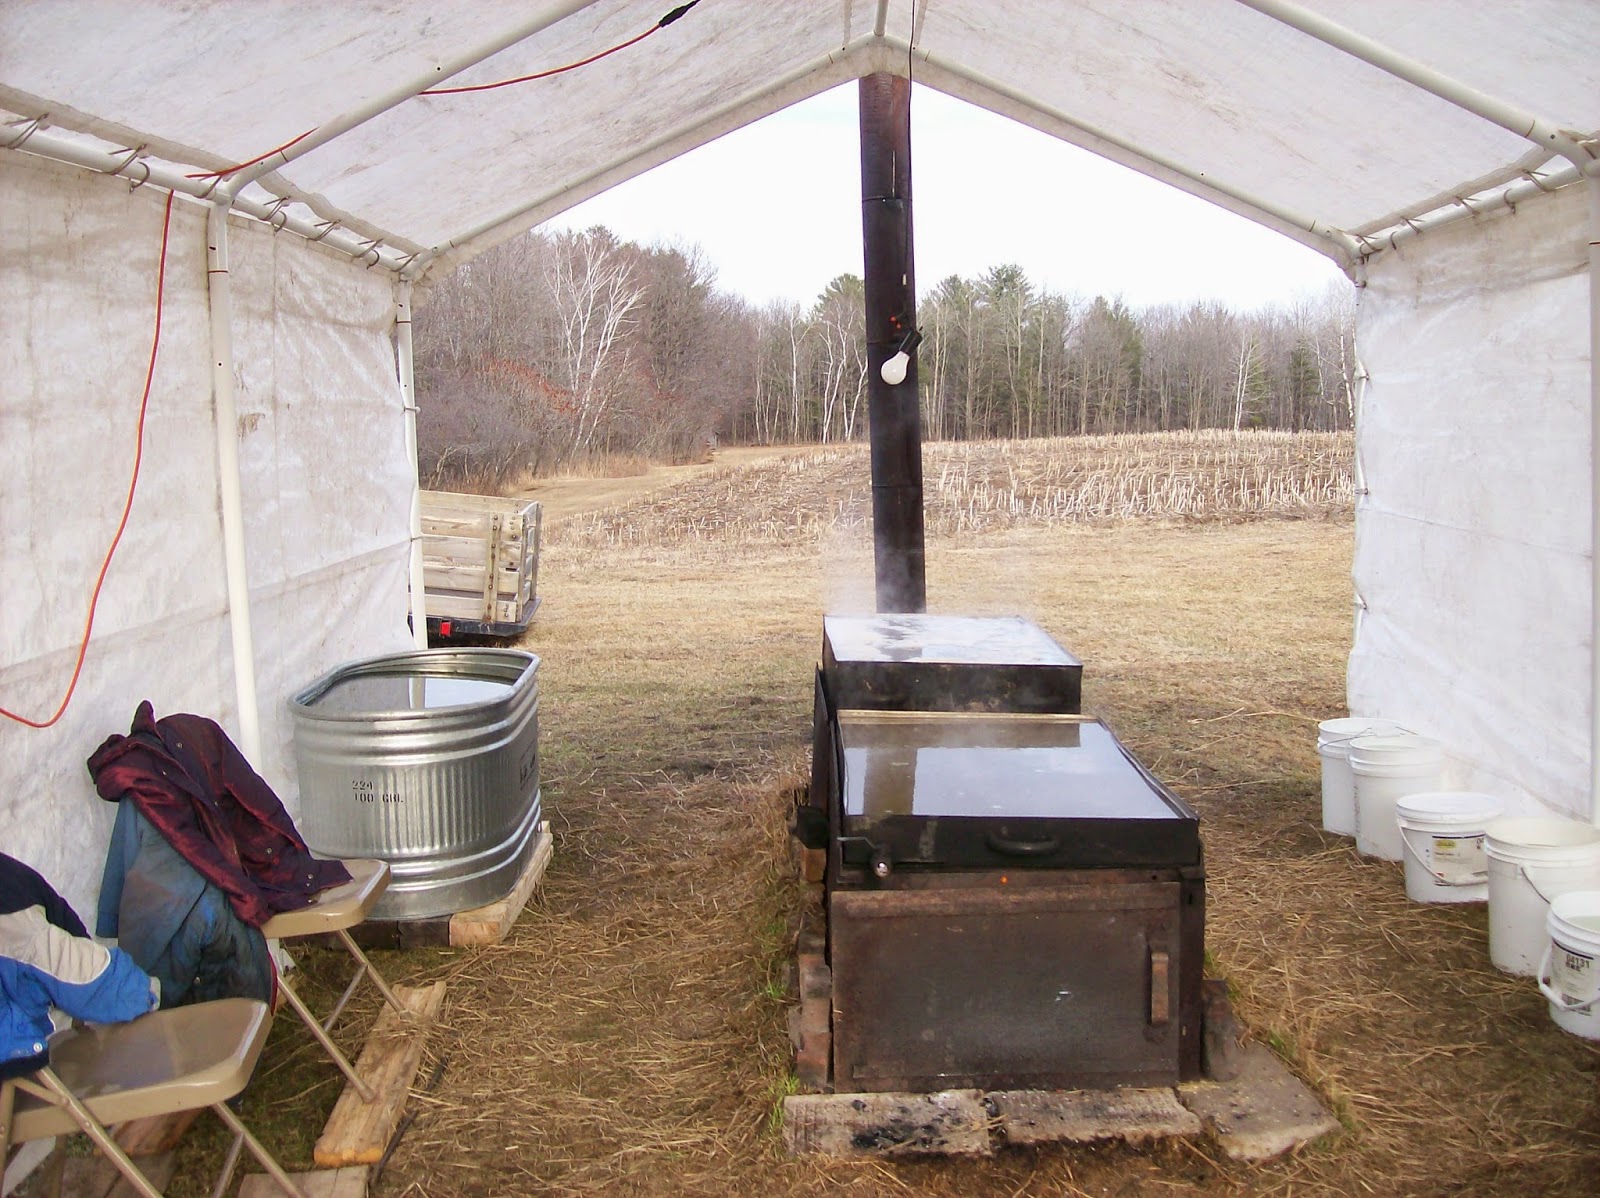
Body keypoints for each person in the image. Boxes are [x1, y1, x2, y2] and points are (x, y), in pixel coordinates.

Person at [1, 852, 159, 1080]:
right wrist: (147, 993)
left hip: (34, 1048)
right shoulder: (13, 915)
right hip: (31, 1061)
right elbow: (88, 980)